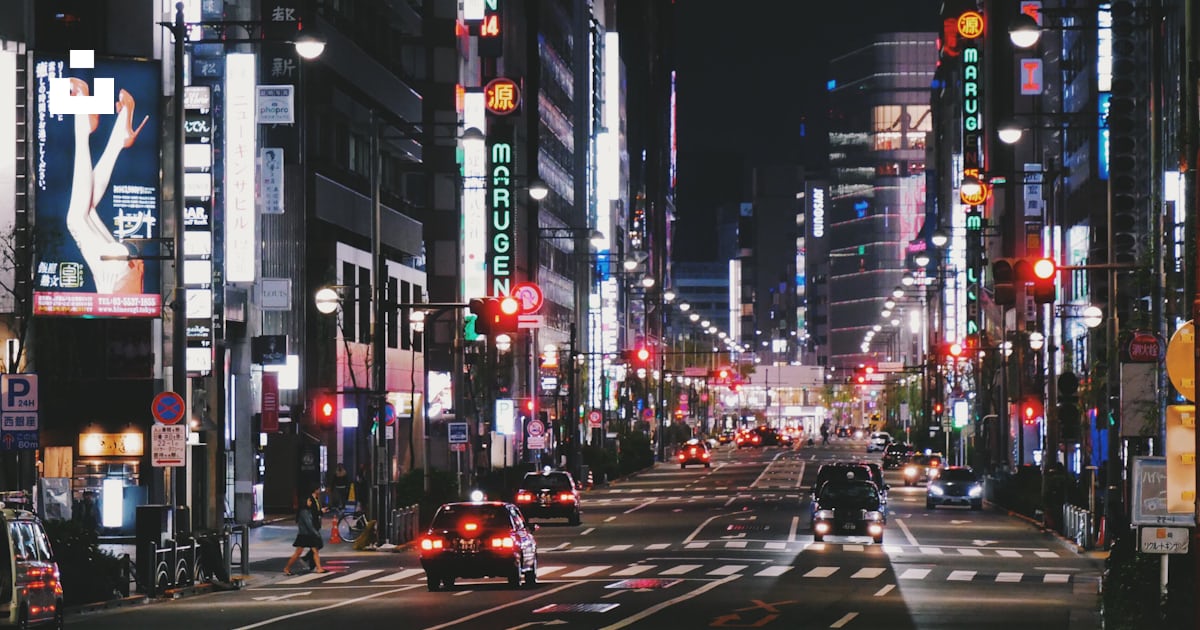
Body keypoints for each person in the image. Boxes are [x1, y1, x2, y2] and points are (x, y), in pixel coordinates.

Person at [66, 79, 149, 294]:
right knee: (75, 220)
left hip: (123, 269)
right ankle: (83, 121)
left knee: (86, 209)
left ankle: (120, 133)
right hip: (115, 278)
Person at [283, 486, 328, 575]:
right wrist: (316, 533)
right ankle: (286, 568)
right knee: (298, 553)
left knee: (314, 550)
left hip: (307, 534)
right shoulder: (304, 512)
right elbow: (309, 524)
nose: (310, 502)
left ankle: (319, 568)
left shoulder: (307, 511)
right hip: (305, 535)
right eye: (309, 501)